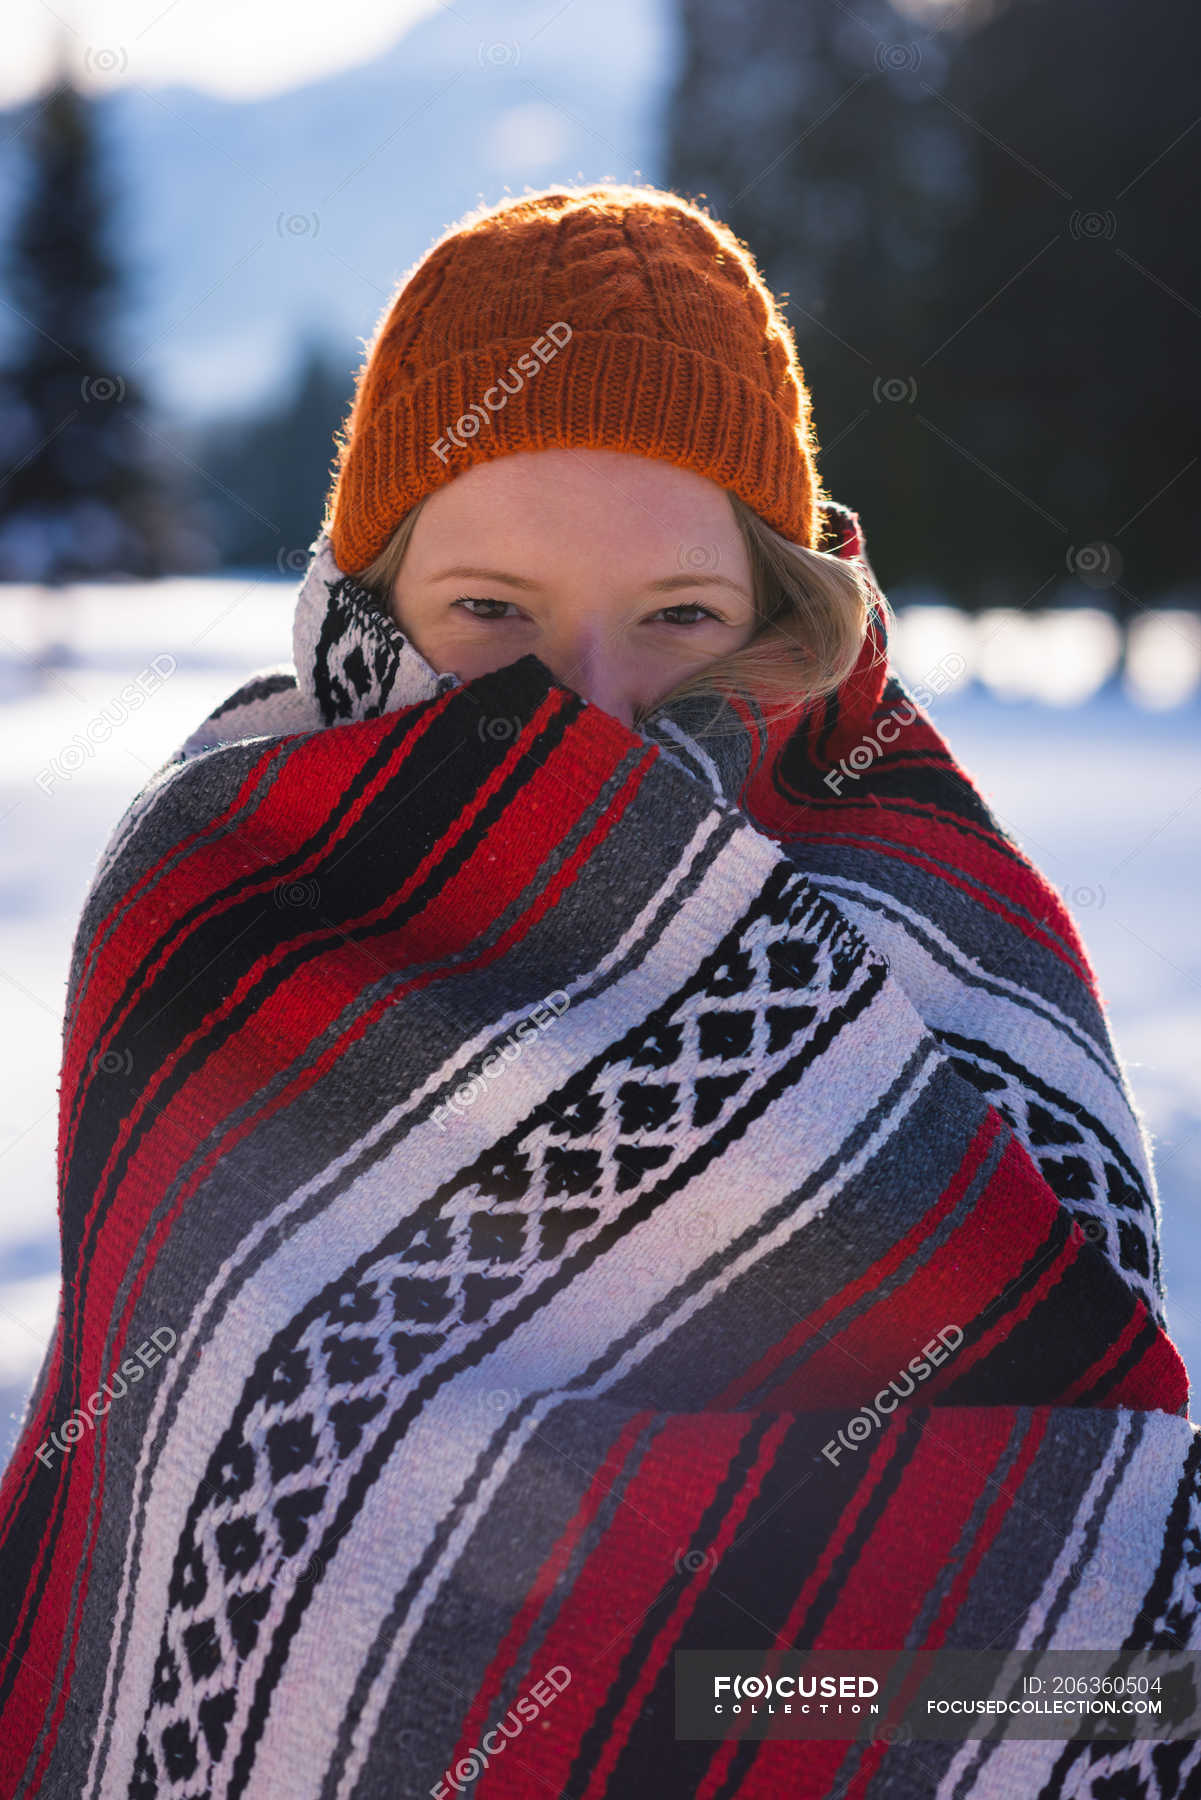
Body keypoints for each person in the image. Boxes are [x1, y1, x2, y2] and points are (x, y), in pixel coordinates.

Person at [1, 182, 1197, 1800]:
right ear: (369, 607)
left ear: (783, 615)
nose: (592, 715)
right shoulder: (217, 903)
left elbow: (1095, 1648)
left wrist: (696, 1708)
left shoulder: (938, 939)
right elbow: (165, 1507)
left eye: (679, 620)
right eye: (491, 613)